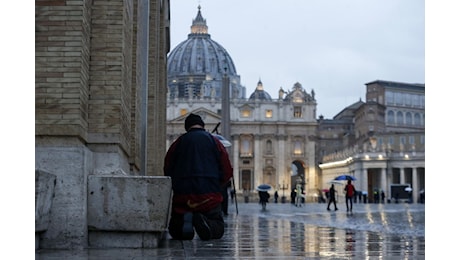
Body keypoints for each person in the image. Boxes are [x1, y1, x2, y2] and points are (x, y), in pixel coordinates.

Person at [164, 113, 233, 240]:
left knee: (175, 231)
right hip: (209, 196)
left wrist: (177, 186)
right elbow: (227, 170)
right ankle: (206, 222)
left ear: (186, 127)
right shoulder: (215, 142)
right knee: (218, 230)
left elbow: (167, 167)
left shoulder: (178, 143)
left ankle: (186, 222)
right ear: (202, 125)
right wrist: (217, 186)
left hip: (183, 197)